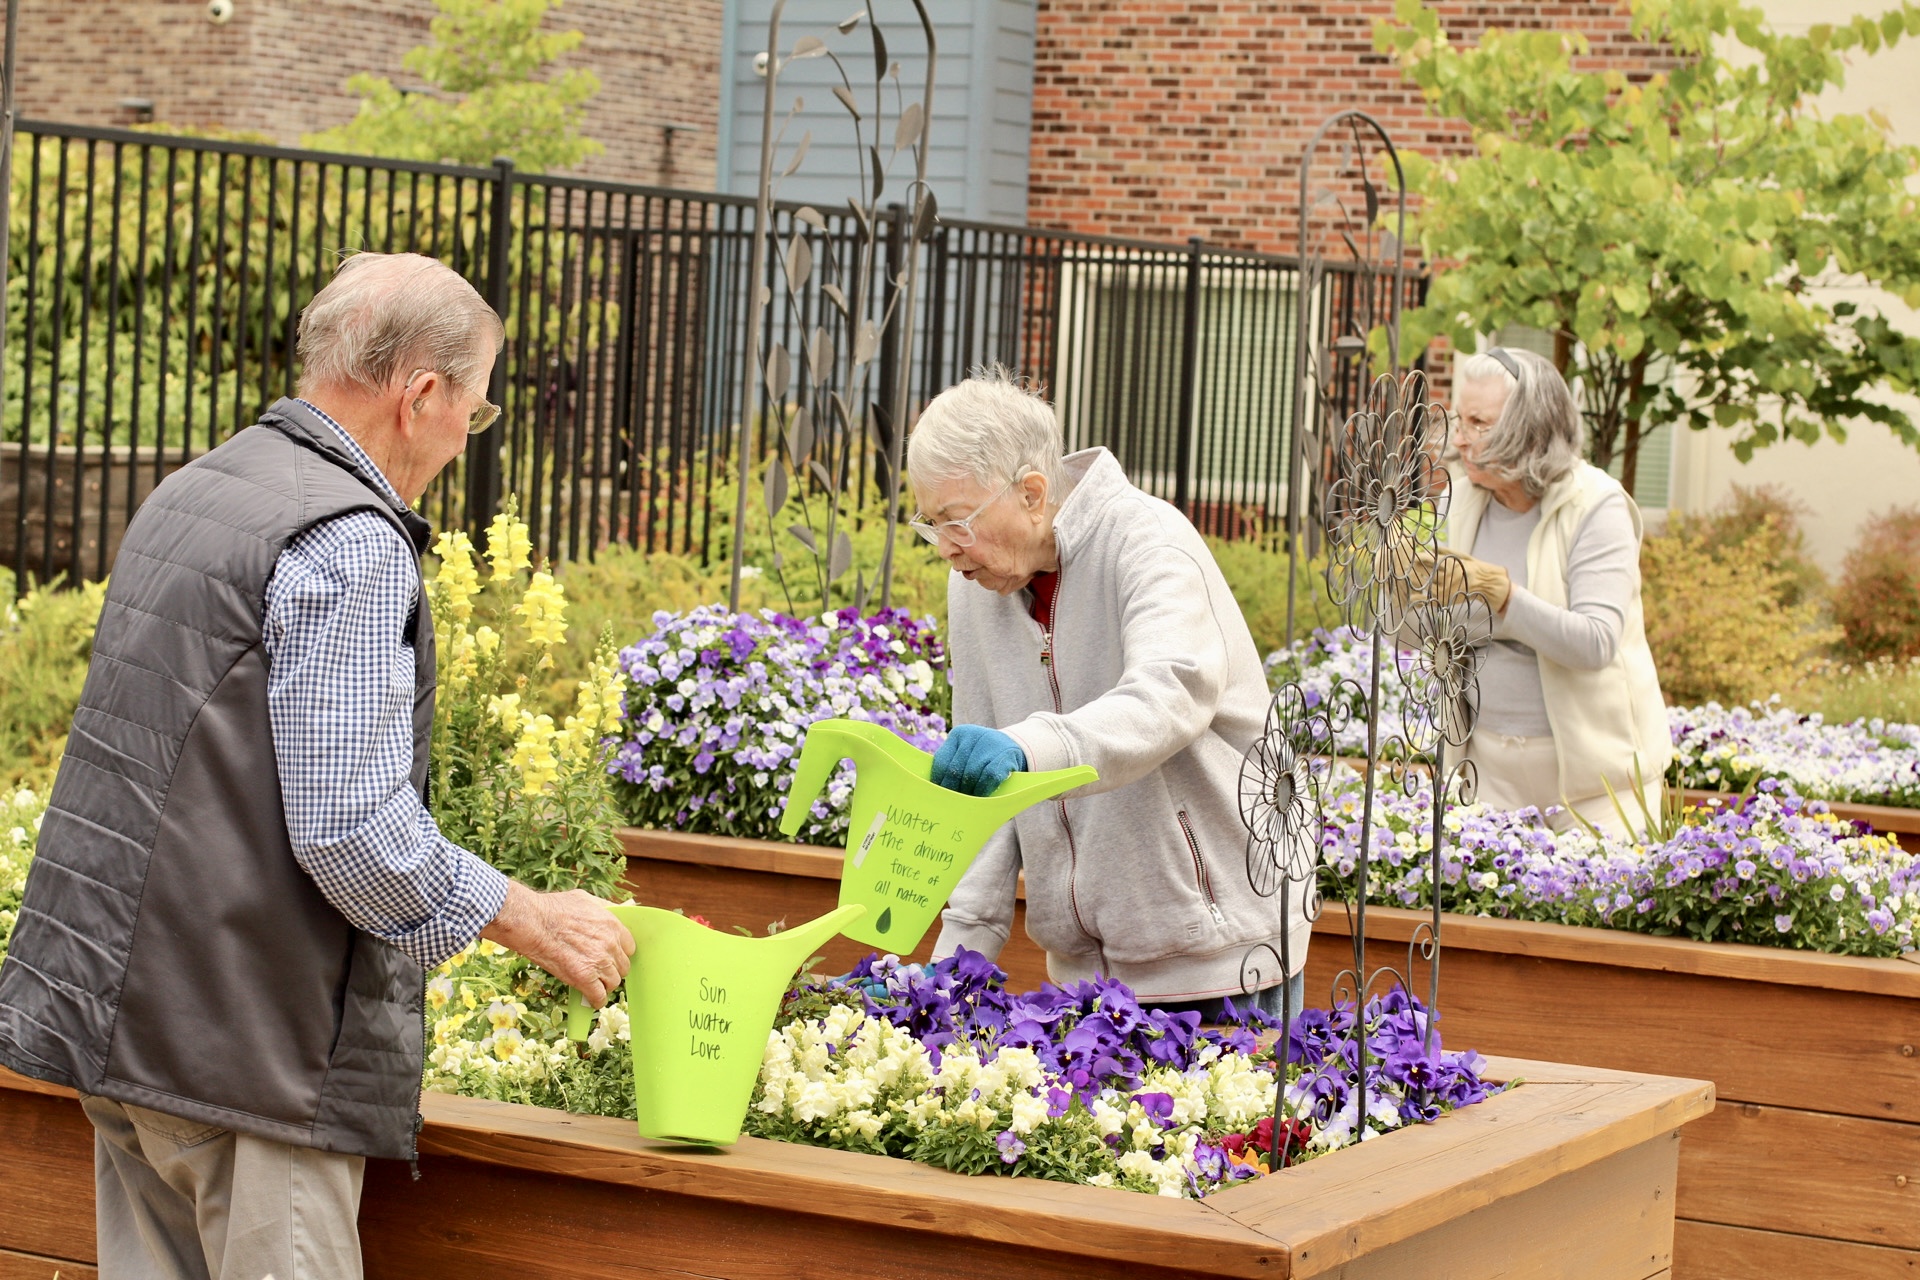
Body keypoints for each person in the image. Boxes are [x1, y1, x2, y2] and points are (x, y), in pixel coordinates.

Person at [0, 252, 635, 1280]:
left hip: (119, 1030)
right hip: (249, 1056)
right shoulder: (349, 538)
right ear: (420, 394)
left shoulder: (198, 487)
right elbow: (352, 831)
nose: (463, 442)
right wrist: (532, 916)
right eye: (473, 415)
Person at [908, 368, 1307, 1022]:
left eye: (956, 522)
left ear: (1032, 493)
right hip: (1084, 981)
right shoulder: (975, 586)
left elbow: (1167, 696)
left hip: (1219, 952)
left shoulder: (1149, 540)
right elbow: (985, 787)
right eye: (930, 525)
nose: (946, 550)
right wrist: (959, 960)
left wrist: (1025, 746)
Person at [1440, 346, 1670, 836]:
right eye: (1459, 420)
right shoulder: (1459, 500)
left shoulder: (1597, 506)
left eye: (1479, 423)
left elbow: (1593, 643)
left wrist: (1504, 600)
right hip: (1486, 780)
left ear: (1531, 428)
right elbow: (1423, 628)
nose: (1460, 439)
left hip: (1599, 793)